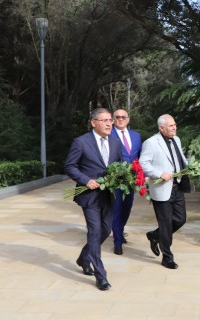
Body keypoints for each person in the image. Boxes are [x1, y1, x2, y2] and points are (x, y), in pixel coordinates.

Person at [65, 108, 122, 291]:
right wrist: (85, 180)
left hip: (108, 194)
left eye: (110, 120)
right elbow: (70, 166)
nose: (109, 124)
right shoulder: (81, 142)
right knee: (95, 231)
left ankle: (83, 258)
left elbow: (119, 166)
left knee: (106, 230)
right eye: (104, 120)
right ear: (93, 122)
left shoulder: (115, 142)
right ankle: (101, 276)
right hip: (89, 196)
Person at [139, 114, 188, 269]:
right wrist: (160, 174)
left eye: (174, 125)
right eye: (171, 126)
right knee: (166, 224)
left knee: (180, 219)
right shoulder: (151, 143)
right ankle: (167, 257)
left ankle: (154, 235)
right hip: (161, 189)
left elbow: (180, 159)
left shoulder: (177, 139)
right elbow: (143, 163)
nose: (175, 128)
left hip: (177, 187)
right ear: (161, 128)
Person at [110, 108, 142, 255]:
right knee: (116, 209)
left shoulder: (136, 136)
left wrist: (142, 175)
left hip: (131, 179)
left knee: (127, 208)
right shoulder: (109, 135)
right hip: (115, 179)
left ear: (128, 119)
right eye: (117, 117)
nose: (120, 119)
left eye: (123, 117)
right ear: (113, 119)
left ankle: (120, 231)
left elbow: (139, 157)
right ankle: (117, 242)